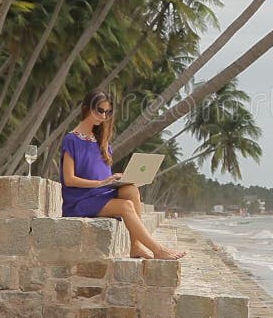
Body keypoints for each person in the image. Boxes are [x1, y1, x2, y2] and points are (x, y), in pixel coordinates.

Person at [60, 89, 185, 260]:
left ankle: (136, 246)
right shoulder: (71, 140)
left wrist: (116, 178)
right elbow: (69, 179)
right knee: (126, 206)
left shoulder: (102, 142)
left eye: (108, 112)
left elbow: (102, 173)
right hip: (80, 200)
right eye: (100, 111)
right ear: (86, 108)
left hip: (100, 194)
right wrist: (100, 183)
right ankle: (158, 250)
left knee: (131, 190)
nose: (104, 116)